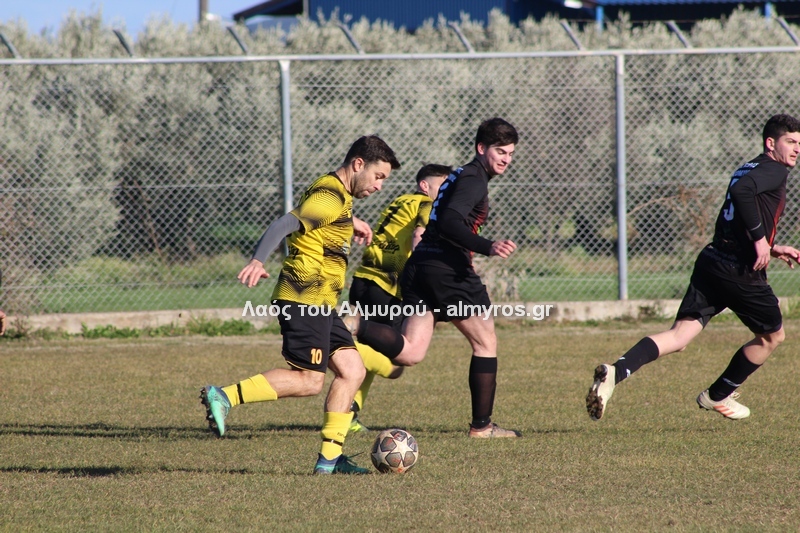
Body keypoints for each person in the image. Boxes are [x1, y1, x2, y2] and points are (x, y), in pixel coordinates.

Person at [200, 135, 400, 475]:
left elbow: (320, 223)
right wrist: (258, 260)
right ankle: (225, 396)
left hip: (322, 302)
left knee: (353, 370)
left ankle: (330, 460)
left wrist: (350, 223)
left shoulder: (338, 196)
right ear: (358, 164)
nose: (380, 185)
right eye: (378, 176)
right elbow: (286, 223)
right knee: (309, 380)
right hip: (304, 297)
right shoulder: (330, 195)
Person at [586, 114, 800, 421]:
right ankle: (717, 395)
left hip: (713, 259)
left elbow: (739, 209)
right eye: (790, 142)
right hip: (739, 271)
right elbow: (742, 195)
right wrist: (759, 241)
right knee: (772, 337)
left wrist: (770, 245)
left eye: (799, 143)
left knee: (679, 336)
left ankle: (614, 373)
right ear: (770, 143)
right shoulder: (775, 170)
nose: (796, 149)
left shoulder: (748, 166)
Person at [343, 117, 522, 438]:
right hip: (448, 270)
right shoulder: (474, 180)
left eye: (510, 153)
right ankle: (482, 427)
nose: (506, 159)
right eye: (500, 151)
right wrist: (488, 246)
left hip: (421, 266)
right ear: (482, 148)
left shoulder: (460, 175)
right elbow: (451, 223)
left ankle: (356, 325)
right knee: (486, 342)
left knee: (411, 352)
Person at [347, 163, 451, 432]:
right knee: (396, 362)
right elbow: (420, 236)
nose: (446, 191)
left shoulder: (401, 201)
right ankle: (336, 343)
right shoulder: (426, 204)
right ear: (424, 186)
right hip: (385, 288)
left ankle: (349, 415)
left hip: (363, 280)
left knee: (376, 349)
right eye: (442, 185)